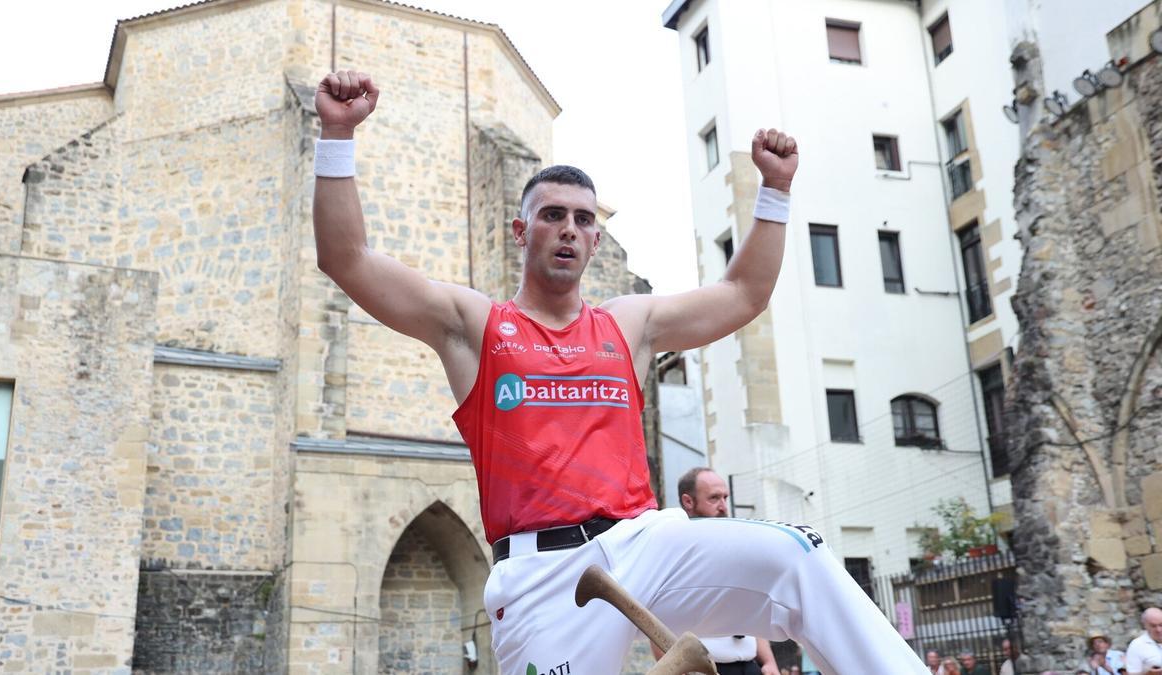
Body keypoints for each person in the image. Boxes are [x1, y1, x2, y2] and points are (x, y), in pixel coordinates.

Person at [312, 69, 929, 674]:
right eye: (553, 215)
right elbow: (347, 259)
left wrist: (775, 190)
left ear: (595, 244)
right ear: (521, 231)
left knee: (799, 554)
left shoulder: (627, 325)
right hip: (542, 575)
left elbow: (744, 294)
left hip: (645, 545)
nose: (570, 230)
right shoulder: (473, 324)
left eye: (584, 219)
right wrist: (337, 136)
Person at [648, 468, 780, 675]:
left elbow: (749, 606)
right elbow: (659, 616)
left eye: (725, 498)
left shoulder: (734, 544)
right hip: (706, 669)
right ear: (688, 502)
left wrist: (770, 662)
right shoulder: (674, 549)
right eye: (714, 498)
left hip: (750, 666)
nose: (723, 506)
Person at [1126, 607, 1162, 674]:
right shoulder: (1137, 645)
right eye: (1153, 626)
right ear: (1145, 625)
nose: (1158, 630)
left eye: (1161, 625)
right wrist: (1148, 673)